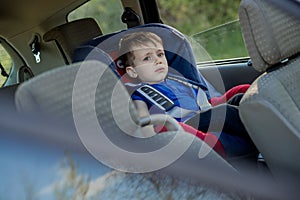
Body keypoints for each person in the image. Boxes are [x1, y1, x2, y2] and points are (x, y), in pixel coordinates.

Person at [118, 31, 257, 158]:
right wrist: (150, 139)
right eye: (147, 58)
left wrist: (228, 96)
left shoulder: (177, 80)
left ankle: (261, 127)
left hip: (204, 114)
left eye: (160, 54)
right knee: (226, 112)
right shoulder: (140, 93)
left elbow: (203, 102)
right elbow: (143, 120)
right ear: (132, 72)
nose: (158, 60)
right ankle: (262, 134)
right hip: (183, 127)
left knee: (241, 94)